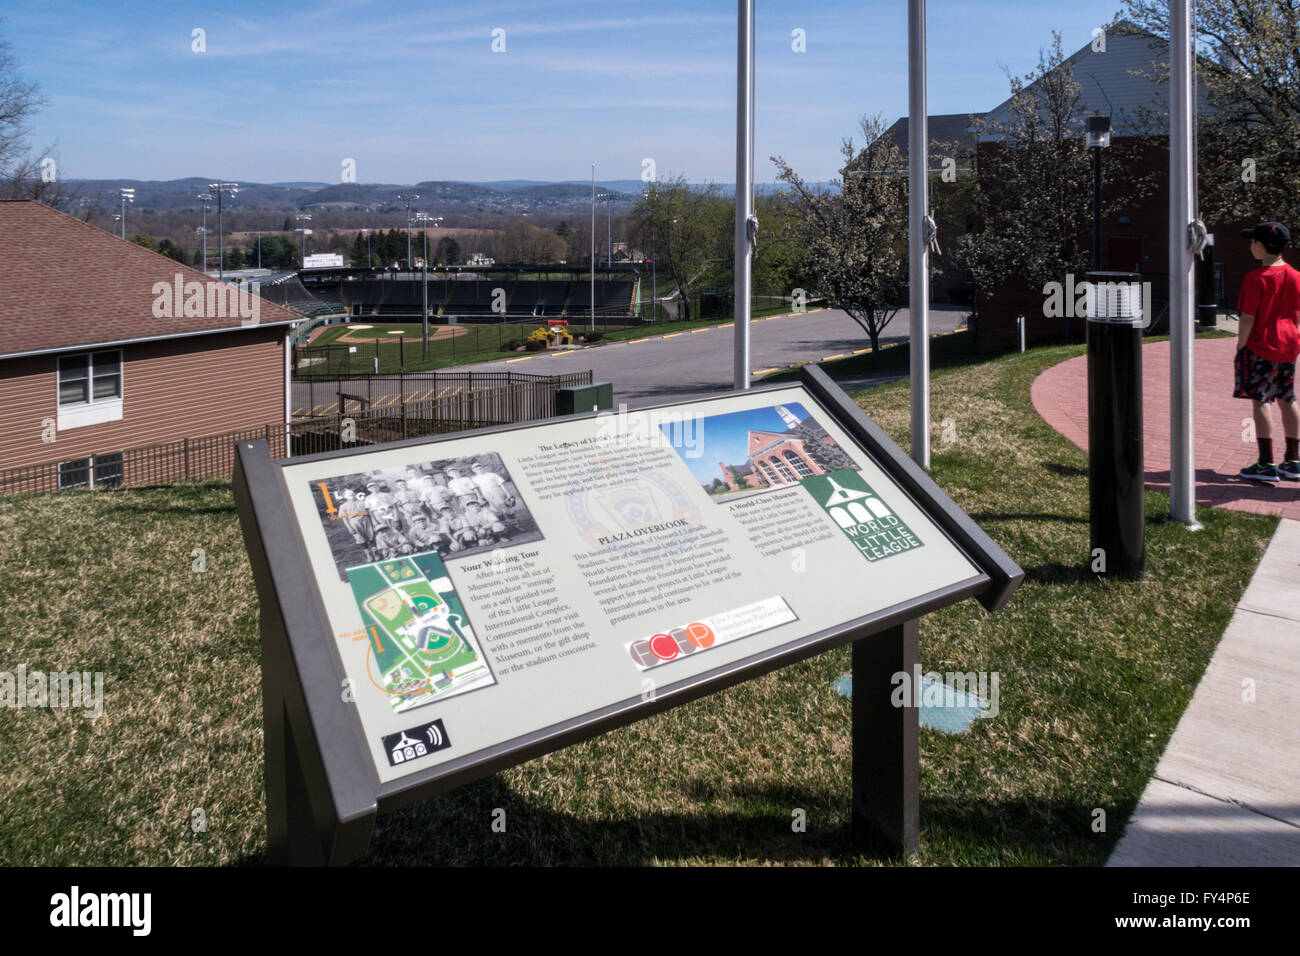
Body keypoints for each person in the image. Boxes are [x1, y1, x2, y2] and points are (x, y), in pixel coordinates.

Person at [1235, 222, 1300, 482]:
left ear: (1260, 246)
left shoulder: (1255, 279)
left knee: (1261, 400)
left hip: (1261, 345)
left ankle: (1265, 463)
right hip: (1288, 343)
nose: (1251, 246)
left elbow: (1247, 318)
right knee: (1288, 397)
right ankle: (1293, 460)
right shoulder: (1296, 275)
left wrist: (1241, 347)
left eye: (1252, 242)